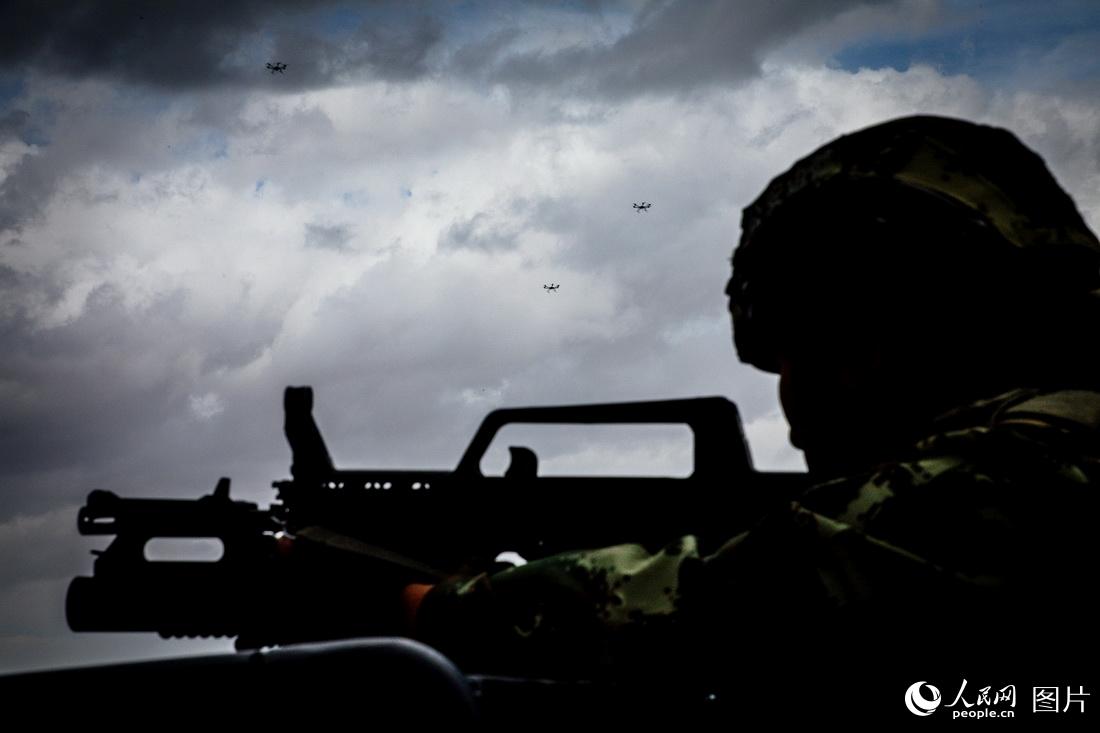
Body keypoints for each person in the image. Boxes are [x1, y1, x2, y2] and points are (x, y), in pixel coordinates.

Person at [398, 115, 1100, 716]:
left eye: (823, 344)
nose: (795, 398)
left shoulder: (1044, 462)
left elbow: (738, 603)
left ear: (942, 320)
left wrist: (439, 608)